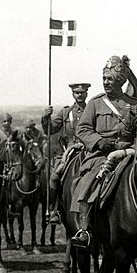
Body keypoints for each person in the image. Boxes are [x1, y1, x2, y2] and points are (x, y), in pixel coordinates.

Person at [70, 55, 137, 248]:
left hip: (130, 151)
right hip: (101, 154)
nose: (106, 83)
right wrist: (99, 142)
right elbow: (82, 129)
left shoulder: (134, 104)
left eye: (110, 79)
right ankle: (84, 228)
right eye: (105, 79)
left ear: (120, 81)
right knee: (89, 181)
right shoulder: (95, 103)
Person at [40, 82, 91, 225]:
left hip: (89, 149)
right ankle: (54, 210)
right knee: (54, 178)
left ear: (86, 93)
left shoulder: (91, 110)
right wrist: (46, 118)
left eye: (82, 92)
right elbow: (50, 129)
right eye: (77, 93)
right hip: (70, 151)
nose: (79, 95)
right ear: (73, 94)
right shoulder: (65, 112)